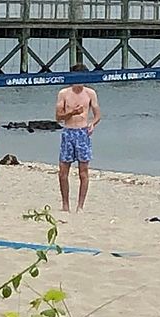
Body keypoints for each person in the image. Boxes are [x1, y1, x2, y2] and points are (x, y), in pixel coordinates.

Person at [55, 63, 101, 212]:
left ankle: (80, 206)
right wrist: (72, 113)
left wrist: (92, 124)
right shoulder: (64, 93)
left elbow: (97, 114)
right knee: (63, 172)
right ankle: (65, 205)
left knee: (83, 172)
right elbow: (58, 117)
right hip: (68, 132)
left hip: (82, 132)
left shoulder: (90, 93)